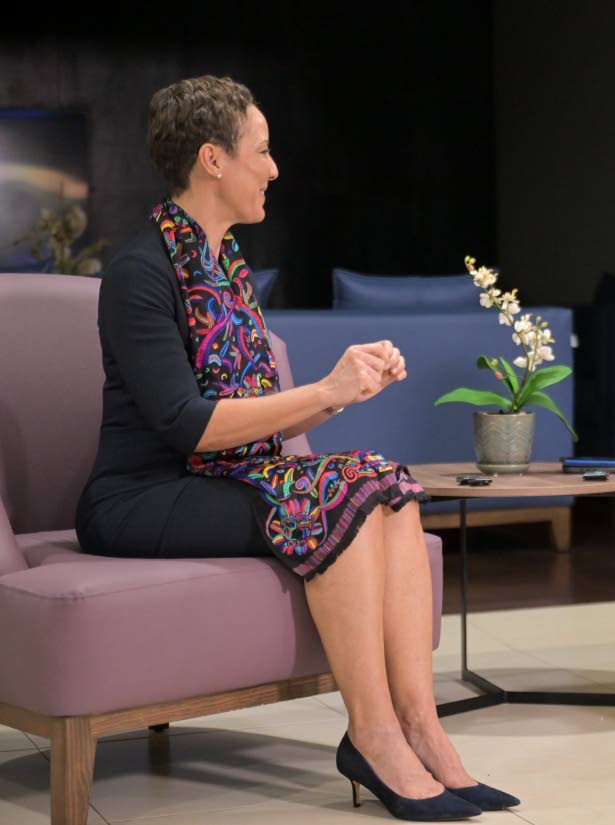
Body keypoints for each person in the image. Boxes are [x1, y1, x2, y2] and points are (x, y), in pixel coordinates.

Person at [75, 76, 515, 821]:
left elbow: (251, 414)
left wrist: (348, 381)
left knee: (387, 480)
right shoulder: (140, 273)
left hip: (229, 479)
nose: (274, 168)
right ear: (213, 160)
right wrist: (328, 390)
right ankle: (372, 735)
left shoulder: (226, 262)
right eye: (263, 151)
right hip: (142, 494)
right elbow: (190, 424)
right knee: (339, 491)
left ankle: (422, 729)